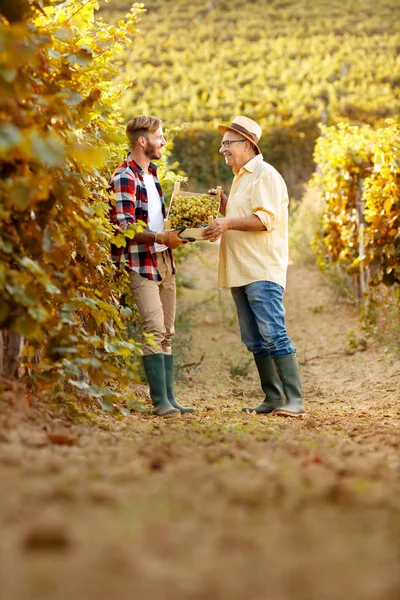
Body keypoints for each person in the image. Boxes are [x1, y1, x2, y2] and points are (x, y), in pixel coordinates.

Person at [203, 116, 305, 417]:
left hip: (261, 269)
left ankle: (295, 400)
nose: (223, 148)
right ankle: (273, 397)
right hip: (240, 269)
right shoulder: (241, 177)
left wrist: (227, 221)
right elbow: (241, 215)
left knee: (273, 333)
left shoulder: (264, 174)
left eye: (228, 143)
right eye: (222, 143)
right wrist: (223, 206)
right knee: (254, 339)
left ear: (247, 144)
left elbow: (264, 221)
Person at [108, 115, 195, 416]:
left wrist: (183, 226)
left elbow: (157, 219)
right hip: (140, 262)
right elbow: (125, 227)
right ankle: (159, 402)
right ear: (143, 141)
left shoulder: (152, 174)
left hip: (164, 259)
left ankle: (170, 399)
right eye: (160, 136)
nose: (164, 142)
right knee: (153, 328)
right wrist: (160, 236)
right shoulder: (124, 177)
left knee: (167, 331)